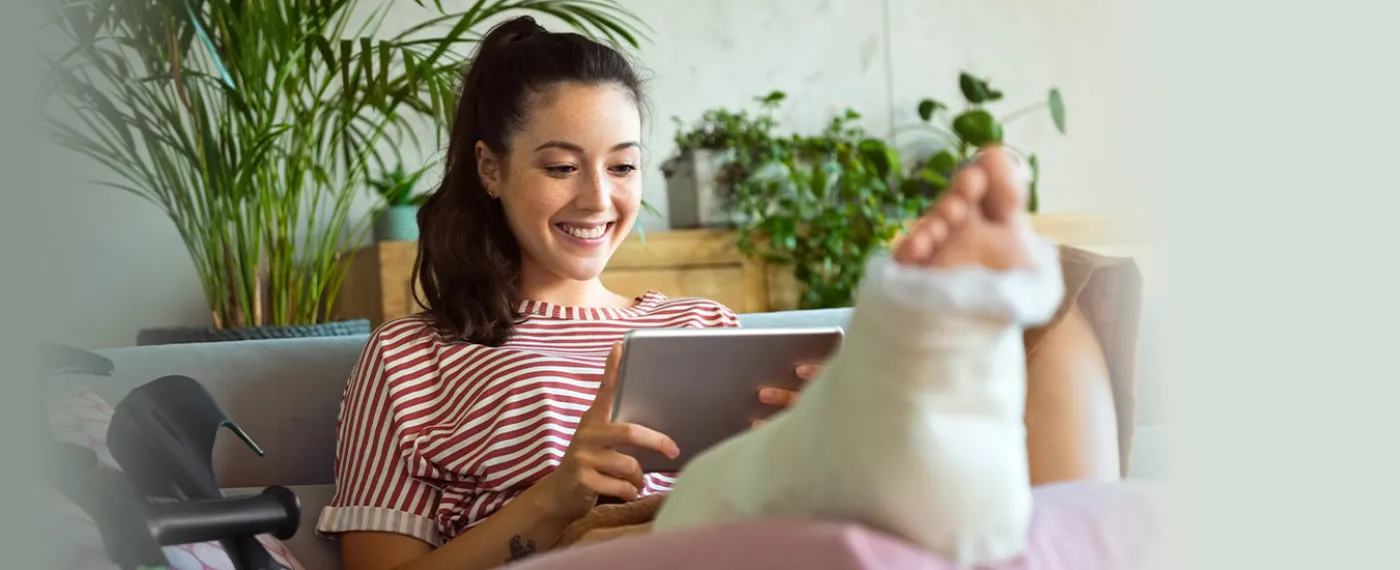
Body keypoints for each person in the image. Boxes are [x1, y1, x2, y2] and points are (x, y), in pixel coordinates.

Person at [317, 15, 1122, 570]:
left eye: (623, 166)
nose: (599, 199)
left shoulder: (700, 324)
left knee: (1065, 289)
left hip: (754, 535)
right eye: (562, 167)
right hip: (604, 551)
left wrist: (814, 431)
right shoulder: (415, 356)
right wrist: (550, 500)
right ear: (491, 169)